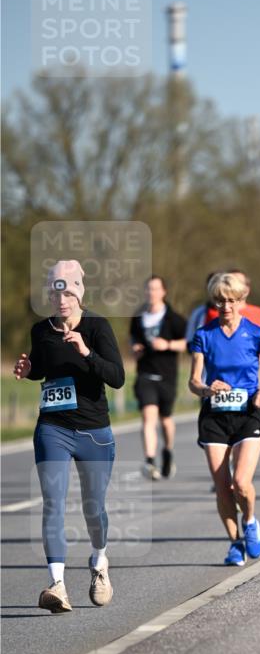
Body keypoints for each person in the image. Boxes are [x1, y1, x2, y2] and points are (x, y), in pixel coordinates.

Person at [13, 260, 125, 612]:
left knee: (94, 508)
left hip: (94, 431)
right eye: (55, 293)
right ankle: (57, 584)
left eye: (68, 292)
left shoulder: (97, 327)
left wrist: (87, 353)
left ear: (79, 293)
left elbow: (118, 377)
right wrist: (30, 370)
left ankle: (99, 560)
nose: (62, 300)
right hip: (53, 428)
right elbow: (44, 368)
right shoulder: (41, 330)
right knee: (53, 502)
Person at [189, 272, 260, 566]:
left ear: (242, 300)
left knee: (241, 482)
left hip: (247, 414)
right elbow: (193, 381)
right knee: (222, 487)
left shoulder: (255, 332)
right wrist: (206, 389)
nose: (226, 307)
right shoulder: (204, 335)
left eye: (231, 301)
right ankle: (234, 543)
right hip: (215, 417)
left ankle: (251, 522)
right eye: (220, 301)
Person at [130, 276, 187, 480]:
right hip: (145, 374)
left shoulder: (175, 319)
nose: (151, 293)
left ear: (163, 292)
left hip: (167, 376)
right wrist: (135, 348)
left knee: (166, 420)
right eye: (148, 289)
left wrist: (168, 345)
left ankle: (168, 451)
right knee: (148, 417)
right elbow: (133, 340)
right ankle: (150, 461)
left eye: (155, 289)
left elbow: (188, 344)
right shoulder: (138, 318)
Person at [186, 268, 260, 344]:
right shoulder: (211, 312)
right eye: (230, 282)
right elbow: (198, 342)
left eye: (239, 283)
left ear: (247, 288)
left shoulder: (258, 312)